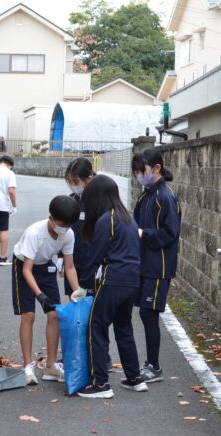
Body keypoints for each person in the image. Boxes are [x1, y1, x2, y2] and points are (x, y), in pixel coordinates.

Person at [76, 175, 147, 398]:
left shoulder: (106, 219)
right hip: (131, 281)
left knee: (96, 326)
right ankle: (134, 378)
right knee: (124, 328)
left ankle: (100, 384)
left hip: (112, 279)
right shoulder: (128, 218)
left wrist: (83, 287)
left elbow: (94, 257)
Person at [12, 195, 86, 385]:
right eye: (61, 224)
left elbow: (69, 267)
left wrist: (77, 291)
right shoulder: (34, 233)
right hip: (23, 266)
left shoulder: (68, 234)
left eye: (68, 226)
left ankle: (51, 365)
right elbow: (27, 270)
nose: (64, 229)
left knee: (54, 314)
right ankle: (28, 366)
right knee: (28, 315)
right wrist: (40, 295)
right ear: (51, 218)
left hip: (45, 266)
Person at [132, 148, 181, 384]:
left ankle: (154, 366)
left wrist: (143, 234)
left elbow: (171, 233)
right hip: (144, 263)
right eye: (137, 172)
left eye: (142, 170)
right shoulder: (146, 194)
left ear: (157, 168)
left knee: (148, 313)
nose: (139, 175)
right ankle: (149, 363)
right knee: (143, 311)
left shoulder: (165, 197)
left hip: (159, 265)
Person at [62, 158, 96, 299]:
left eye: (75, 182)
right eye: (69, 182)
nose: (72, 185)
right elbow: (62, 229)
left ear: (88, 179)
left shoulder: (99, 202)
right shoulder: (71, 200)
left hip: (92, 264)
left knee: (91, 306)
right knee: (74, 302)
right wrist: (60, 257)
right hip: (72, 262)